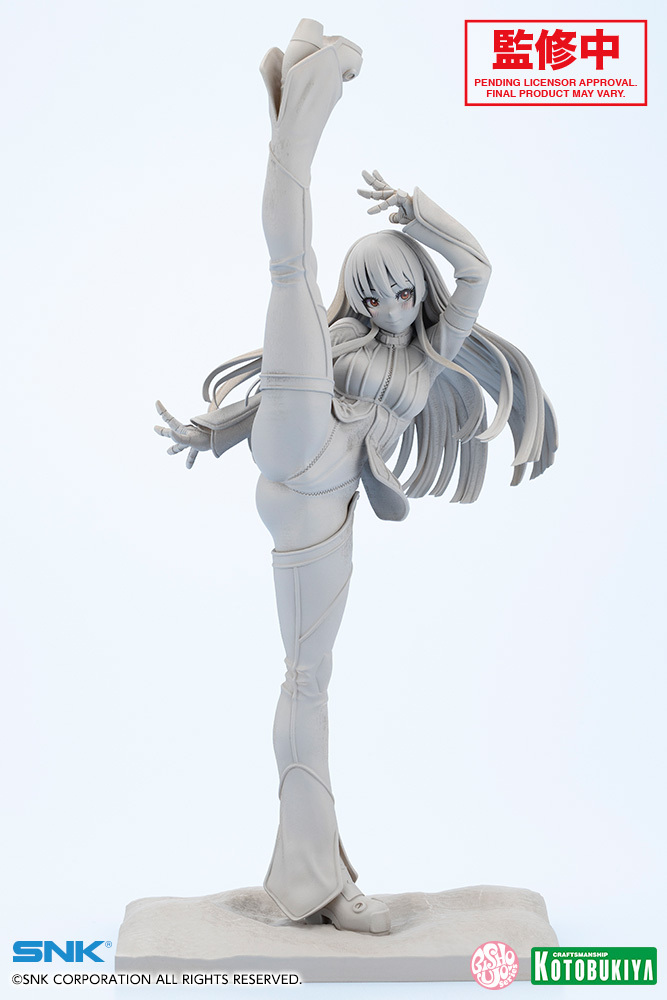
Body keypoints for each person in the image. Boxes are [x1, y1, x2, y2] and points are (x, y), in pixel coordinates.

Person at [155, 19, 557, 936]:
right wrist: (213, 430)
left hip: (321, 512)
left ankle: (297, 103)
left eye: (399, 292)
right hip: (295, 456)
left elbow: (477, 269)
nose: (385, 308)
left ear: (417, 289)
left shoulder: (428, 354)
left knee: (306, 678)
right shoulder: (343, 342)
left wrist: (415, 211)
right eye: (370, 295)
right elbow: (278, 388)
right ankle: (304, 112)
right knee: (289, 275)